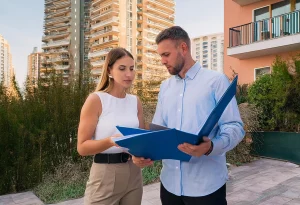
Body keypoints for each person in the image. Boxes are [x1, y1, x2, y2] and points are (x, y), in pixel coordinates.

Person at [132, 26, 245, 205]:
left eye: (166, 54)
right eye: (160, 55)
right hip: (169, 186)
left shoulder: (216, 81)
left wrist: (210, 147)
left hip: (207, 187)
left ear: (183, 48)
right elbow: (158, 132)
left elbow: (235, 127)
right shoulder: (164, 88)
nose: (162, 61)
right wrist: (142, 153)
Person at [77, 47, 144, 205]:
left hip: (134, 174)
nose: (129, 74)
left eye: (132, 68)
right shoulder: (96, 100)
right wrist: (110, 141)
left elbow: (141, 140)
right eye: (122, 69)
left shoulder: (135, 101)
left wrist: (143, 156)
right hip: (105, 174)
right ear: (109, 71)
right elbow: (82, 147)